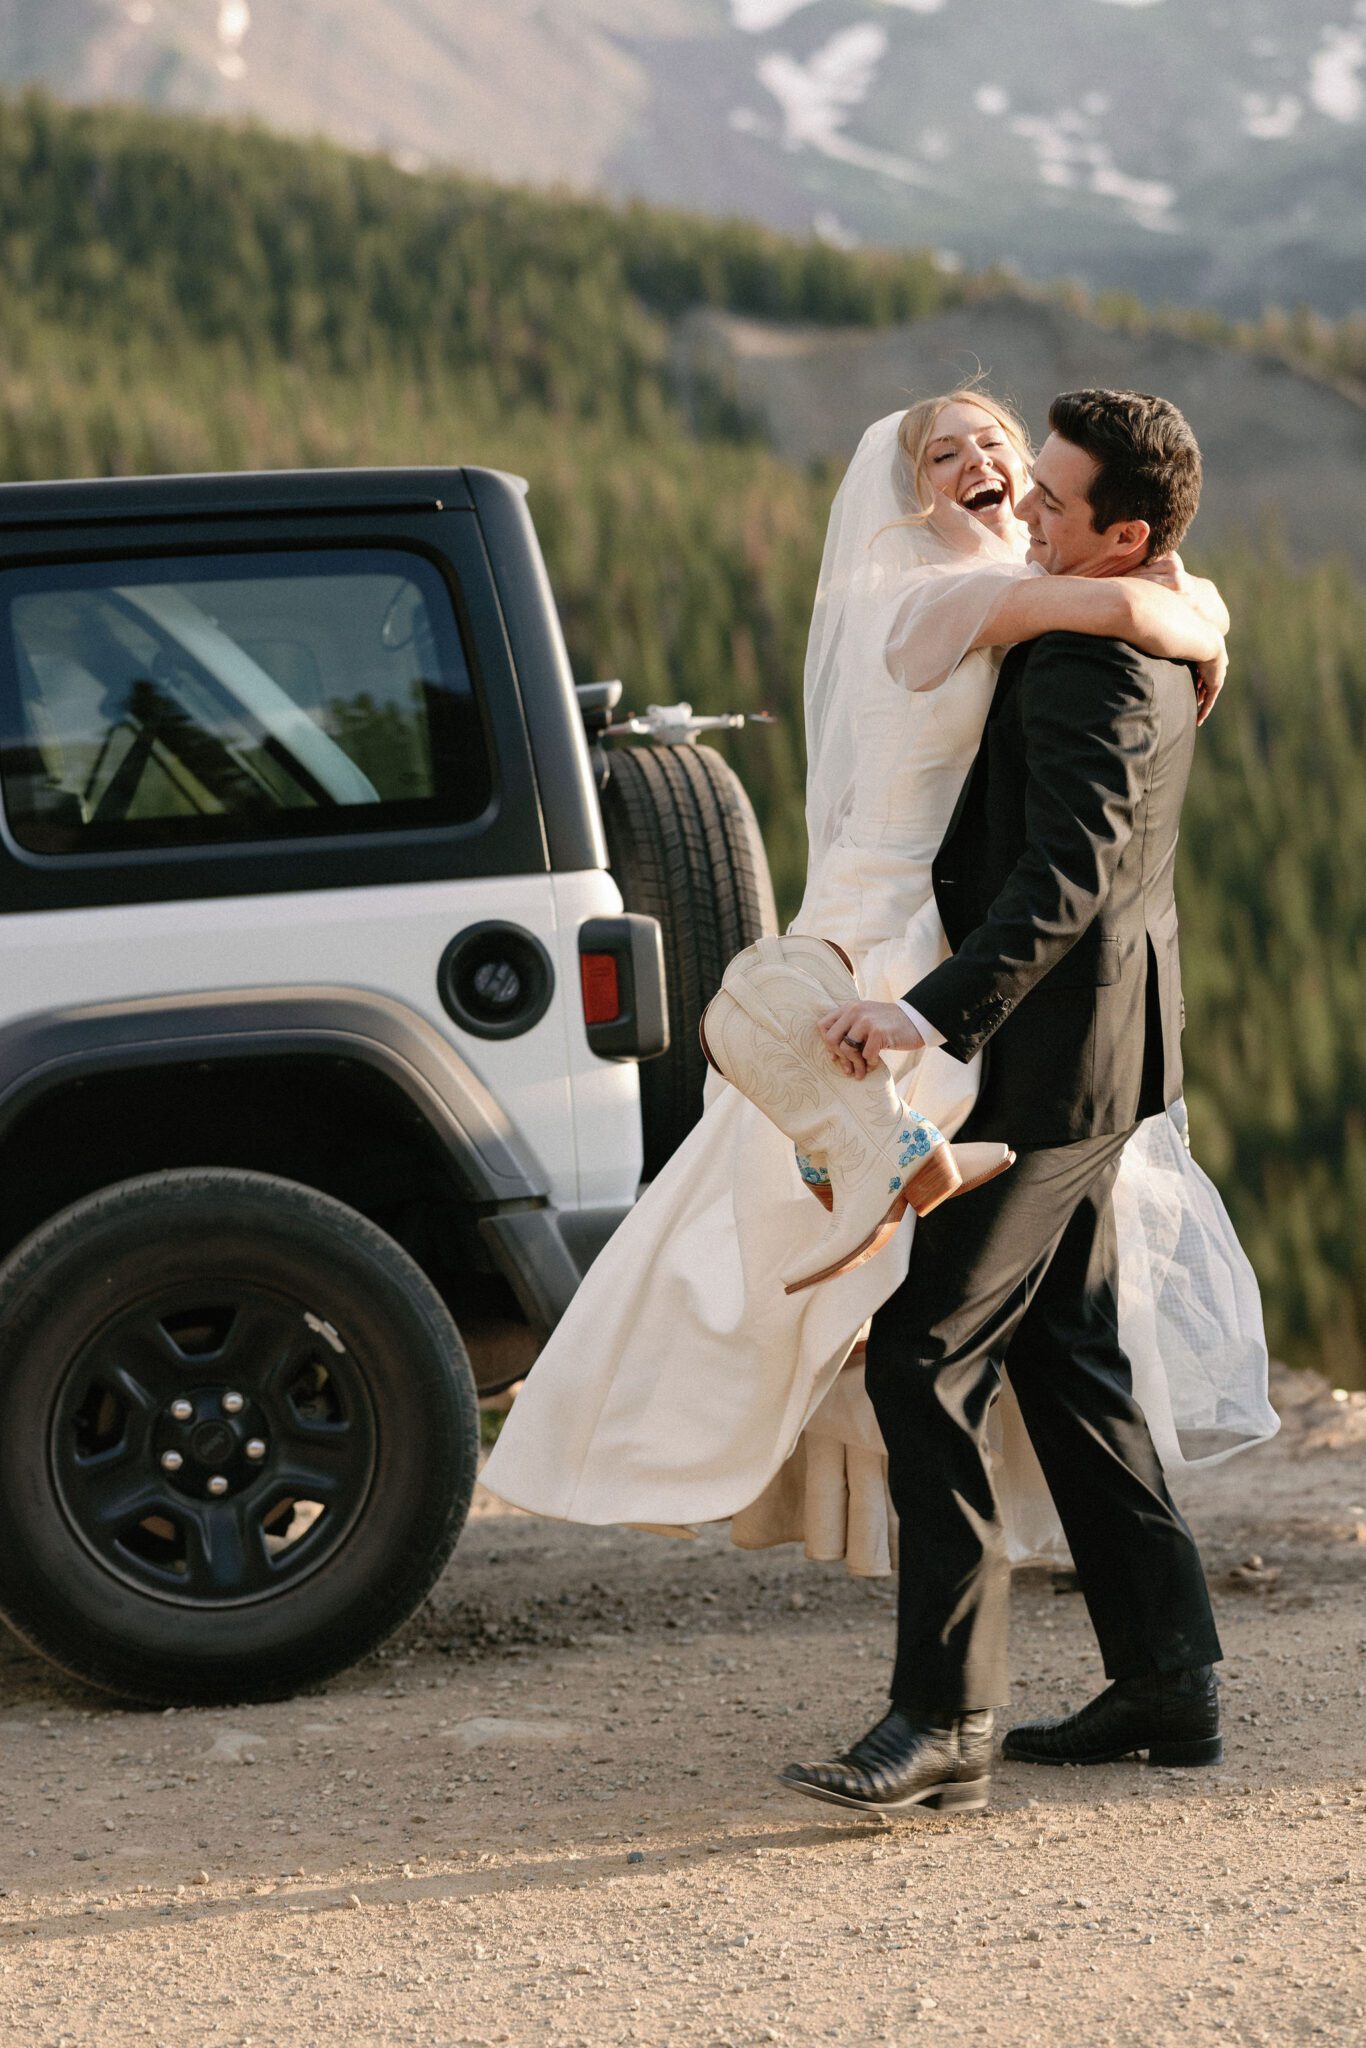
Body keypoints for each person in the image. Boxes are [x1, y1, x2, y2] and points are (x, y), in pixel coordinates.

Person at [479, 388, 1272, 1600]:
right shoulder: (927, 588)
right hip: (894, 921)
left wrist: (1186, 606)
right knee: (823, 1249)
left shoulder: (1052, 601)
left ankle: (1089, 1683)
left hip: (975, 959)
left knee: (990, 1337)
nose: (975, 464)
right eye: (940, 454)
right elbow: (1115, 595)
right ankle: (684, 1420)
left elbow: (1102, 658)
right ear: (908, 491)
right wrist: (1196, 620)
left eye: (994, 446)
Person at [781, 389, 1241, 1819]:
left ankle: (944, 1720)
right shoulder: (1102, 610)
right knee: (1069, 1358)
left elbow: (1066, 879)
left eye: (1053, 504)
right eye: (1021, 486)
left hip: (1056, 1070)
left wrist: (921, 1013)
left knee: (925, 1355)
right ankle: (1168, 1685)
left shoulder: (1087, 667)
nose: (1024, 516)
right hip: (1096, 1051)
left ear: (1123, 534)